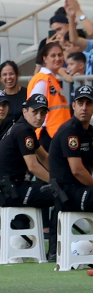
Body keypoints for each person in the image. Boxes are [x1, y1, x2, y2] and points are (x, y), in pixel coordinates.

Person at [0, 93, 54, 254]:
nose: (39, 117)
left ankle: (36, 244)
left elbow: (44, 157)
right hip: (10, 190)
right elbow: (33, 166)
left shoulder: (23, 128)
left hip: (8, 188)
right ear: (25, 111)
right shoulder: (23, 130)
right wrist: (58, 183)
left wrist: (61, 176)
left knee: (55, 189)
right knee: (58, 195)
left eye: (42, 113)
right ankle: (55, 250)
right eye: (35, 112)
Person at [48, 85, 93, 213]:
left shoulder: (89, 131)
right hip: (66, 193)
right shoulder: (70, 130)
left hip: (80, 188)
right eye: (80, 103)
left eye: (88, 103)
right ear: (74, 106)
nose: (84, 108)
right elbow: (77, 170)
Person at [28, 41, 69, 139]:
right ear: (45, 58)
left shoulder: (53, 79)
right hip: (47, 133)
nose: (57, 58)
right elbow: (34, 108)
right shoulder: (43, 80)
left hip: (58, 133)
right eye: (53, 56)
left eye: (60, 55)